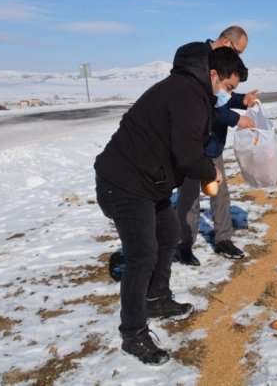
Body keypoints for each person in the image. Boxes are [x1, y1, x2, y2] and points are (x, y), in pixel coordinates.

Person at [94, 45, 245, 365]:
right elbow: (188, 155)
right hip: (123, 183)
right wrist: (211, 171)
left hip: (148, 181)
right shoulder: (187, 94)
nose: (227, 94)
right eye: (229, 87)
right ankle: (133, 332)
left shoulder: (192, 91)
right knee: (142, 254)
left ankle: (157, 298)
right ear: (213, 74)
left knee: (168, 232)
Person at [173, 26, 258, 265]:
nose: (239, 57)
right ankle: (184, 244)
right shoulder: (196, 58)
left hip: (214, 142)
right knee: (189, 196)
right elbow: (210, 104)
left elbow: (223, 96)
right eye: (238, 51)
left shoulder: (223, 64)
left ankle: (223, 239)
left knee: (220, 192)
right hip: (193, 143)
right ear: (227, 42)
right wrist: (237, 118)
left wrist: (242, 100)